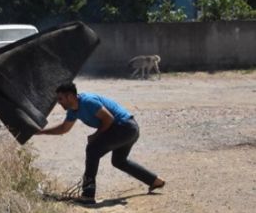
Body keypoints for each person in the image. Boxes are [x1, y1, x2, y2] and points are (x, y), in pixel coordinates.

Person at [36, 82, 165, 204]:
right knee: (119, 161)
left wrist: (95, 135)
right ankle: (154, 181)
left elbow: (109, 118)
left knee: (92, 150)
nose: (58, 102)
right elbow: (64, 128)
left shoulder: (87, 101)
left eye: (60, 99)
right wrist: (41, 132)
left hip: (124, 127)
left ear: (70, 96)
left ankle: (88, 195)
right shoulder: (72, 110)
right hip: (129, 129)